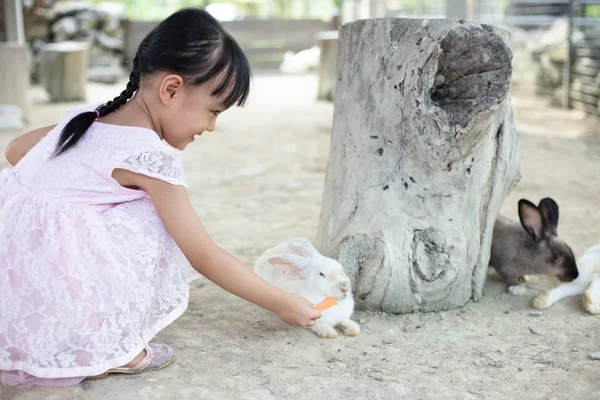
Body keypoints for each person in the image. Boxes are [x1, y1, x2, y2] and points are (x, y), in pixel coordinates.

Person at [0, 8, 321, 388]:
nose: (211, 127)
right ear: (171, 89)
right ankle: (115, 349)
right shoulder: (150, 157)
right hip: (63, 303)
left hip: (17, 291)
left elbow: (16, 150)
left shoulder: (84, 119)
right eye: (212, 111)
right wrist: (283, 302)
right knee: (152, 213)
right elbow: (203, 254)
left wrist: (66, 212)